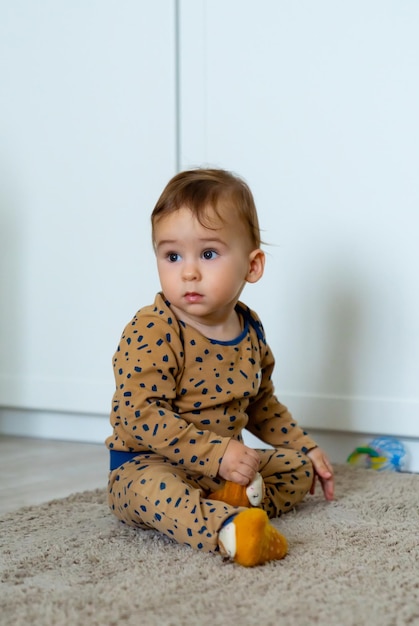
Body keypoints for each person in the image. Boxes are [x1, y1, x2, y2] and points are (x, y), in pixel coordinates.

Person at [106, 167, 334, 567]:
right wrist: (217, 454)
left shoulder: (250, 330)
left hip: (221, 467)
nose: (188, 271)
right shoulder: (154, 329)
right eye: (172, 255)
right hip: (150, 464)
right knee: (150, 491)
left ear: (253, 266)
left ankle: (232, 498)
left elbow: (262, 405)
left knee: (297, 470)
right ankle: (229, 528)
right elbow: (139, 415)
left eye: (208, 254)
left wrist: (305, 446)